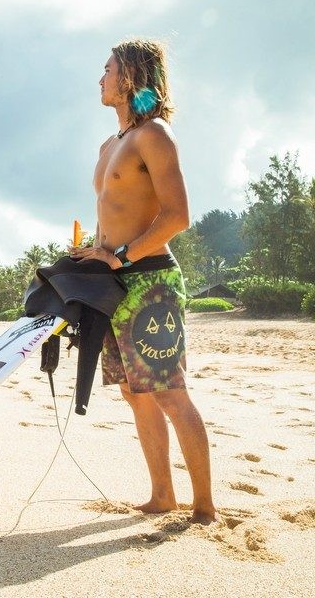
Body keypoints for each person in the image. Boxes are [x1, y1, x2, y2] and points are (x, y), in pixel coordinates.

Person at [69, 38, 216, 524]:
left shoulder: (155, 135)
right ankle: (162, 496)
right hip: (112, 282)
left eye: (107, 68)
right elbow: (113, 215)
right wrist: (93, 255)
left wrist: (124, 256)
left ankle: (204, 508)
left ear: (129, 76)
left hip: (150, 279)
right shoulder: (110, 145)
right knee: (136, 392)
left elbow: (178, 216)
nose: (101, 78)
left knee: (169, 391)